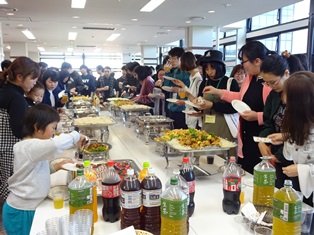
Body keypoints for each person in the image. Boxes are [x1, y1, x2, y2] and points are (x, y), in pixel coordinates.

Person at [2, 104, 88, 235]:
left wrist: (56, 166)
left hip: (28, 207)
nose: (54, 132)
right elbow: (55, 145)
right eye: (53, 128)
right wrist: (77, 135)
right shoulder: (30, 146)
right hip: (22, 212)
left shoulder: (31, 146)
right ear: (37, 127)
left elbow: (33, 171)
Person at [203, 41, 273, 174]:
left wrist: (257, 116)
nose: (242, 65)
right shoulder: (251, 77)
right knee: (245, 173)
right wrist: (219, 92)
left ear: (257, 61)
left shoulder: (270, 81)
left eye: (244, 61)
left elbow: (275, 115)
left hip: (264, 137)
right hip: (247, 134)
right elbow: (240, 97)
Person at [258, 52, 305, 191]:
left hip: (299, 160)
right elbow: (269, 123)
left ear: (286, 73)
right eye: (266, 83)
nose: (270, 86)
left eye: (273, 82)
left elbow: (306, 133)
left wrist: (281, 152)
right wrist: (262, 140)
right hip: (278, 157)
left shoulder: (302, 96)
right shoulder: (274, 95)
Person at [0, 57, 40, 200]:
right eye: (33, 79)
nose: (35, 82)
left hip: (3, 148)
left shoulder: (5, 90)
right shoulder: (16, 98)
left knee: (5, 184)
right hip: (9, 149)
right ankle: (12, 219)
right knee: (13, 189)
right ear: (19, 77)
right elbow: (18, 130)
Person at [189, 50, 239, 156]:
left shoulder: (230, 82)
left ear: (220, 67)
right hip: (207, 125)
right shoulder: (204, 83)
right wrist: (197, 106)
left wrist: (212, 105)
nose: (209, 72)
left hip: (225, 127)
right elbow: (200, 104)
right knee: (206, 156)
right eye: (206, 69)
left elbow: (234, 108)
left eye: (212, 68)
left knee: (224, 155)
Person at [171, 51, 203, 128]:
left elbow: (196, 99)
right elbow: (191, 93)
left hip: (195, 116)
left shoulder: (198, 78)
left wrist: (184, 102)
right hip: (190, 114)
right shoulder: (191, 77)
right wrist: (182, 85)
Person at [163, 47, 190, 128]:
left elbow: (190, 90)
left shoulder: (187, 73)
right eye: (170, 58)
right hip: (172, 105)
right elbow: (167, 86)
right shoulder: (175, 71)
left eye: (174, 58)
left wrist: (179, 90)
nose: (171, 61)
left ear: (181, 58)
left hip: (182, 107)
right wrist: (167, 72)